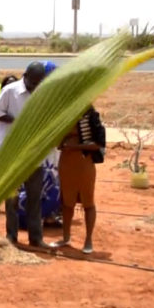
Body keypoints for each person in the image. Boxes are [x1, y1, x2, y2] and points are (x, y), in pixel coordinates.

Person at [0, 62, 49, 248]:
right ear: (25, 75)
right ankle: (11, 236)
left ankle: (36, 238)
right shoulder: (10, 91)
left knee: (34, 198)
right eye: (33, 81)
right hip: (12, 155)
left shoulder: (43, 94)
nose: (35, 86)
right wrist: (18, 122)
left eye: (38, 82)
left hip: (34, 154)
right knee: (12, 199)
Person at [52, 106, 105, 254]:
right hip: (66, 164)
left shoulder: (91, 116)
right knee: (66, 202)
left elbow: (98, 144)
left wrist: (74, 146)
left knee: (88, 201)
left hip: (84, 163)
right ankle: (66, 237)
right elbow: (57, 142)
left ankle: (88, 240)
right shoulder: (65, 115)